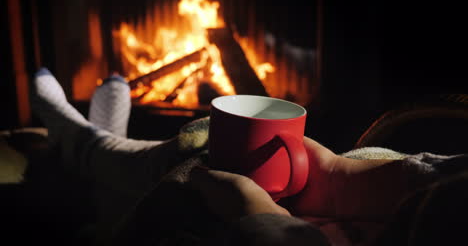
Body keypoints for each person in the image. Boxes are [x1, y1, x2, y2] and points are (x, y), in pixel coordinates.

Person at [30, 68, 468, 246]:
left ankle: (90, 147)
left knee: (192, 173)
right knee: (212, 153)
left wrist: (259, 216)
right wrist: (340, 175)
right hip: (389, 209)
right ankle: (97, 146)